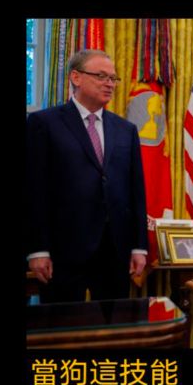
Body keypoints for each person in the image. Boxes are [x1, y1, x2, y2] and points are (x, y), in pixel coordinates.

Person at [27, 49, 148, 302]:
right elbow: (34, 191)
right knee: (62, 324)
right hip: (63, 251)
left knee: (115, 323)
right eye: (101, 76)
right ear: (76, 77)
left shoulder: (126, 130)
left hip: (115, 251)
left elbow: (136, 192)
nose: (109, 84)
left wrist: (139, 246)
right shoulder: (44, 123)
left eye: (113, 78)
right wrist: (38, 249)